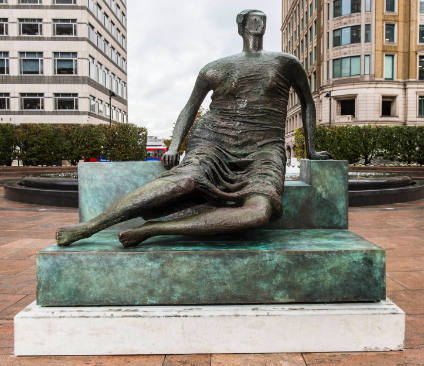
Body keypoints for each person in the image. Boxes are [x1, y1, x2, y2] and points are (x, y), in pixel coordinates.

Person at [56, 9, 331, 248]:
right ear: (241, 26)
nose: (258, 23)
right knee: (185, 181)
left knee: (259, 213)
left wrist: (312, 149)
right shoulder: (216, 68)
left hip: (264, 149)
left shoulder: (286, 63)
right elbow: (189, 108)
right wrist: (174, 146)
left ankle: (154, 229)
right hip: (215, 141)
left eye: (262, 19)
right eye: (252, 19)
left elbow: (307, 102)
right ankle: (90, 227)